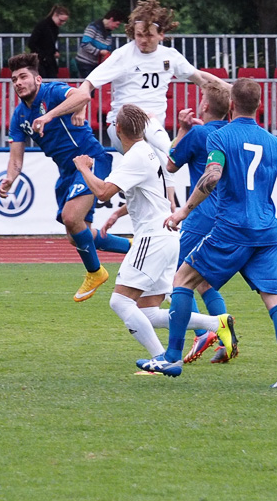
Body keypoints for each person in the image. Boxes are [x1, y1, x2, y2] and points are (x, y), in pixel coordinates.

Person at [139, 78, 277, 389]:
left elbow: (213, 174)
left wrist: (184, 210)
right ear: (259, 106)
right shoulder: (274, 143)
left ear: (232, 105)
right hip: (266, 233)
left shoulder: (221, 136)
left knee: (182, 280)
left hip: (231, 229)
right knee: (275, 299)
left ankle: (172, 358)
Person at [29, 0, 231, 204]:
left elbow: (201, 78)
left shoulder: (170, 57)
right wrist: (75, 108)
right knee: (160, 145)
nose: (142, 40)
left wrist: (232, 90)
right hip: (121, 126)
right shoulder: (123, 55)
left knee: (151, 186)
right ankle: (173, 161)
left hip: (152, 134)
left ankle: (166, 205)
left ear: (161, 35)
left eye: (149, 35)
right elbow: (87, 85)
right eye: (138, 35)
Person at [73, 103, 228, 367]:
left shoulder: (134, 156)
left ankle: (162, 358)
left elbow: (103, 192)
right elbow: (151, 194)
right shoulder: (148, 152)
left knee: (120, 302)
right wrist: (119, 213)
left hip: (152, 238)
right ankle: (217, 323)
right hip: (166, 236)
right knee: (148, 311)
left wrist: (84, 168)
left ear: (117, 129)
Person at [0, 53, 131, 302]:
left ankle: (95, 272)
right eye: (14, 79)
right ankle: (135, 249)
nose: (18, 83)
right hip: (67, 172)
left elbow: (83, 95)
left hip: (90, 159)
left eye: (23, 77)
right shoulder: (19, 116)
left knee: (71, 217)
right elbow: (16, 159)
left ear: (38, 79)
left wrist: (50, 115)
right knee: (76, 235)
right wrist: (10, 178)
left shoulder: (52, 91)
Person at [165, 81, 232, 364]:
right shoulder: (230, 133)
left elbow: (170, 163)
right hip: (226, 216)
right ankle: (226, 339)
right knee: (202, 280)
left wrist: (182, 130)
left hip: (201, 214)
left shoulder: (198, 133)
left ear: (204, 105)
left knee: (177, 275)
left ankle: (202, 333)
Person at [75, 9, 126, 79]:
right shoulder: (93, 27)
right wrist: (99, 52)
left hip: (96, 64)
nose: (117, 27)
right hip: (85, 62)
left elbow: (107, 48)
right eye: (117, 24)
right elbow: (85, 44)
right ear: (111, 19)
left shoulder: (108, 33)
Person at [28, 5, 70, 79]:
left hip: (49, 59)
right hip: (40, 60)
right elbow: (32, 43)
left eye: (64, 21)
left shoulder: (55, 28)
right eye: (61, 20)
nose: (62, 23)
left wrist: (55, 51)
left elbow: (50, 43)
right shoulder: (42, 25)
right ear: (55, 15)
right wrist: (42, 55)